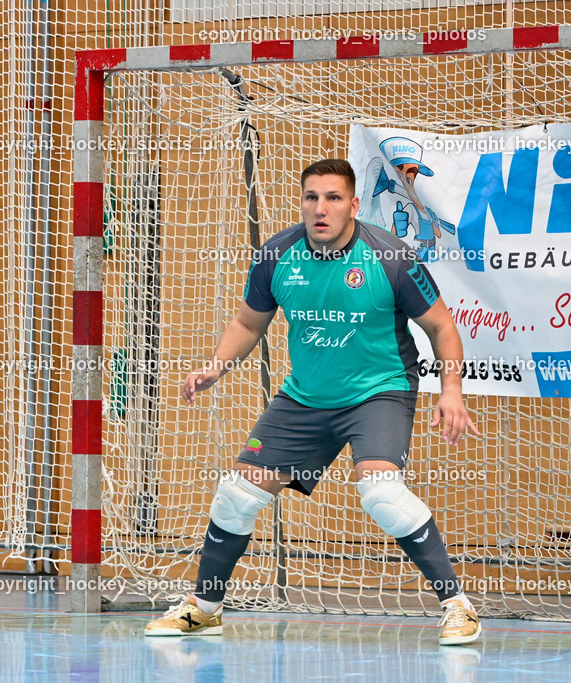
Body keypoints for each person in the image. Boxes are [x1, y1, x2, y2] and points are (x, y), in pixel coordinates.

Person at [145, 159, 483, 646]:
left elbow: (441, 326)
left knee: (382, 494)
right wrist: (216, 366)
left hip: (378, 391)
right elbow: (247, 323)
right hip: (305, 397)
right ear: (302, 202)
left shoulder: (391, 259)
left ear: (354, 205)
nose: (320, 208)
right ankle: (205, 608)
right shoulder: (276, 256)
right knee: (236, 495)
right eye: (311, 197)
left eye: (333, 198)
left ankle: (458, 606)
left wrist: (451, 390)